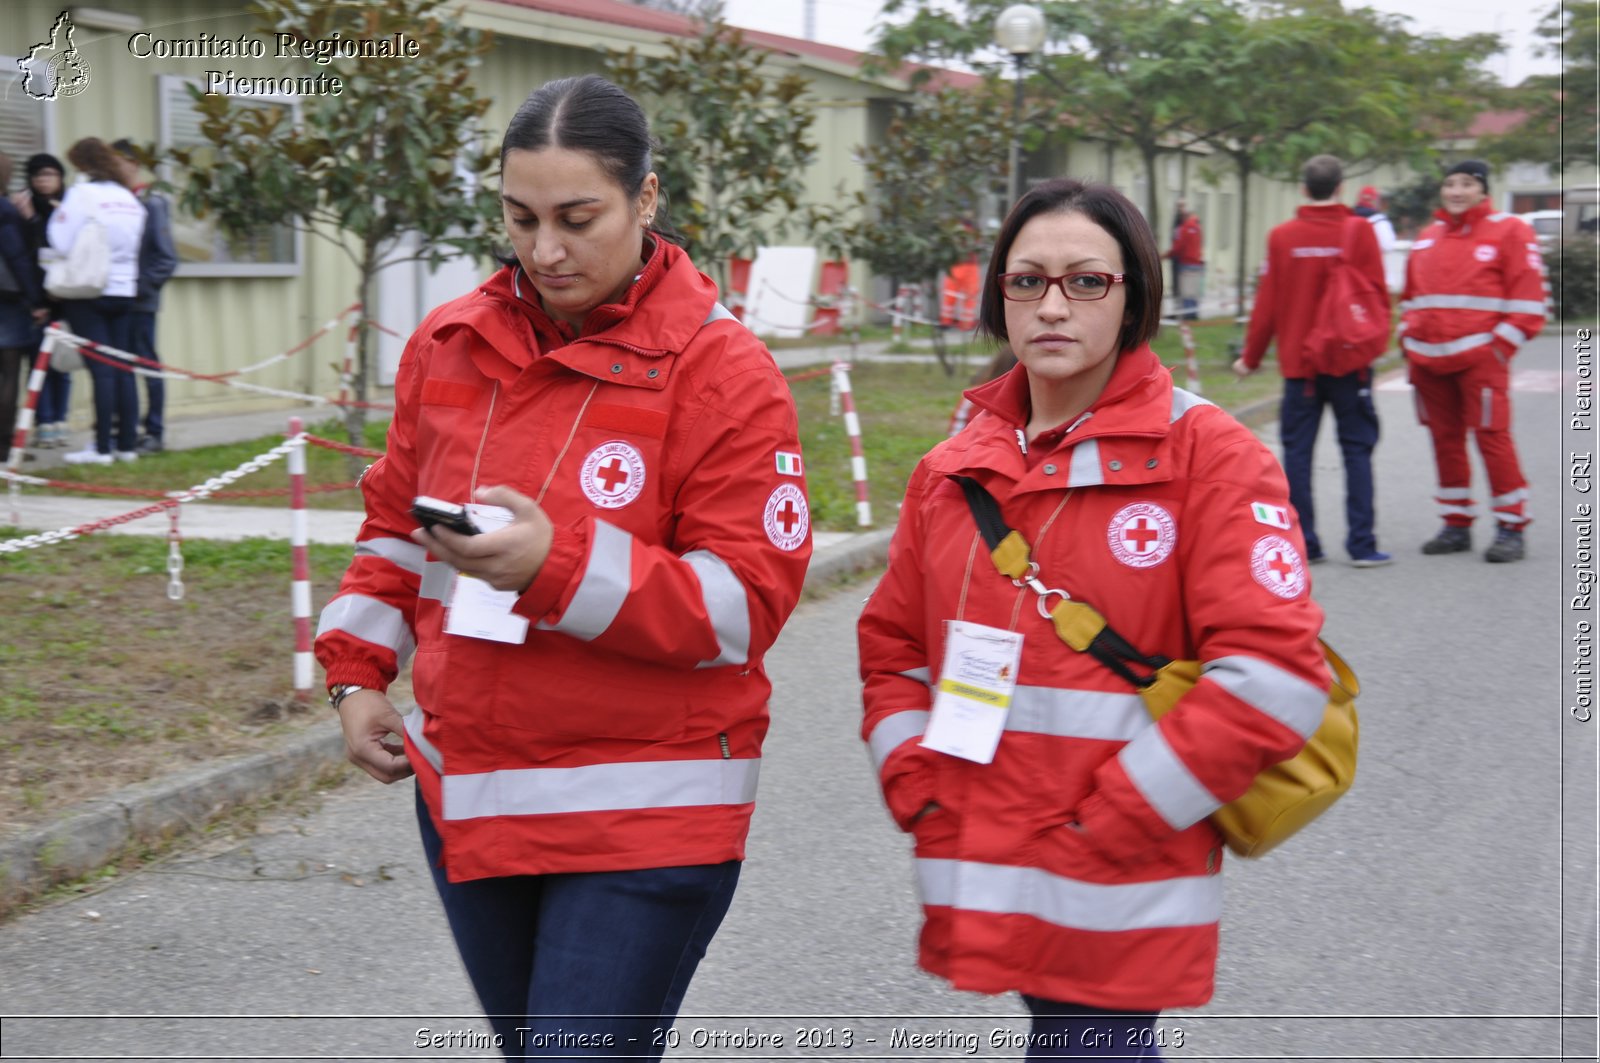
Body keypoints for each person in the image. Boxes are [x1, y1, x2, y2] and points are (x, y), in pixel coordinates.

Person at [313, 74, 811, 1056]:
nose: (544, 250)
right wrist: (355, 675)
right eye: (520, 216)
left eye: (578, 218)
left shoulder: (723, 372)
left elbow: (742, 609)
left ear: (647, 199)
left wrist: (555, 566)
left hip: (646, 810)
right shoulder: (448, 345)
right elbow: (393, 528)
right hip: (473, 793)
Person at [858, 178, 1328, 1058]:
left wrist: (1113, 822)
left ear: (1135, 296)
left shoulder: (1211, 457)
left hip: (1117, 868)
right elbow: (893, 645)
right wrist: (913, 781)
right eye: (1027, 280)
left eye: (1087, 281)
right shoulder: (953, 469)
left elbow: (1275, 680)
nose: (1053, 304)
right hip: (984, 851)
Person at [1233, 155, 1392, 567]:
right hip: (1349, 362)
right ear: (1341, 188)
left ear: (1304, 189)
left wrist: (1250, 358)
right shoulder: (1360, 231)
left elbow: (1266, 305)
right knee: (1356, 449)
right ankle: (1362, 545)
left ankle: (1306, 542)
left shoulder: (1283, 237)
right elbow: (1376, 296)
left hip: (1299, 367)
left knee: (1297, 453)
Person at [1400, 159, 1547, 562]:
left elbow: (1529, 305)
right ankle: (1456, 523)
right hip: (1428, 364)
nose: (1457, 191)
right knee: (1444, 442)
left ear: (1483, 190)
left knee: (1492, 440)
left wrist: (1497, 351)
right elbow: (1411, 300)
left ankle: (1511, 526)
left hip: (1480, 362)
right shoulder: (1428, 237)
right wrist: (1406, 338)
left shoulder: (1511, 231)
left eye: (1467, 183)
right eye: (1450, 183)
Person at [49, 138, 146, 465]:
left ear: (82, 164)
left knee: (100, 371)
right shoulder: (127, 198)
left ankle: (102, 448)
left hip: (89, 289)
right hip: (124, 289)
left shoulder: (82, 193)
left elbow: (59, 240)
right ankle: (127, 445)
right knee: (122, 367)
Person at [110, 139, 179, 454]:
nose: (113, 170)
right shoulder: (111, 201)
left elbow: (166, 258)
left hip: (139, 301)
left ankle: (154, 431)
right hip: (114, 299)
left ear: (133, 164)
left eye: (118, 163)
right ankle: (123, 430)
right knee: (117, 366)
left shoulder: (151, 201)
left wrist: (140, 286)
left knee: (147, 364)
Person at [11, 153, 67, 447]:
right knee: (39, 363)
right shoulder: (21, 210)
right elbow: (24, 257)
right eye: (37, 175)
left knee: (64, 361)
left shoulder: (71, 206)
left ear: (60, 177)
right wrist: (32, 220)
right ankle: (44, 423)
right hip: (36, 299)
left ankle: (60, 420)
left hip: (67, 296)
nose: (43, 180)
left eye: (49, 174)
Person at [0, 153, 49, 462]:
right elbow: (18, 258)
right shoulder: (5, 210)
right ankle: (4, 444)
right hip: (6, 301)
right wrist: (37, 300)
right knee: (8, 376)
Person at [1353, 185, 1402, 294]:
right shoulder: (1380, 223)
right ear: (1376, 202)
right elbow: (1388, 245)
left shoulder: (1350, 220)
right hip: (1378, 279)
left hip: (1355, 280)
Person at [1163, 201, 1203, 319]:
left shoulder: (1184, 228)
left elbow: (1179, 247)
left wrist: (1166, 255)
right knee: (1193, 290)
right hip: (1196, 262)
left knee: (1186, 290)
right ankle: (1193, 313)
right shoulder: (1197, 227)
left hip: (1185, 262)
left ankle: (1188, 315)